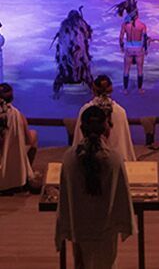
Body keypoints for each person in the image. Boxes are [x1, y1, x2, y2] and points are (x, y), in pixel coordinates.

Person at [56, 106, 134, 269]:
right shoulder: (114, 158)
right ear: (106, 129)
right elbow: (122, 196)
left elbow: (65, 196)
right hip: (106, 227)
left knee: (80, 262)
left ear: (81, 128)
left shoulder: (69, 158)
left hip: (79, 225)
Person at [72, 75, 136, 162]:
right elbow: (124, 145)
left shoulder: (85, 111)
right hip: (116, 162)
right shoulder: (120, 112)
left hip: (88, 162)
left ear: (93, 90)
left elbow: (79, 141)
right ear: (111, 90)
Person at [0, 83, 38, 192]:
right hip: (8, 169)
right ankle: (24, 174)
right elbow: (29, 140)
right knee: (33, 135)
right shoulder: (17, 115)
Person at [52, 8, 93, 98]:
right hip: (79, 55)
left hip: (67, 55)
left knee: (64, 72)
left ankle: (56, 93)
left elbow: (60, 42)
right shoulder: (81, 24)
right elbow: (88, 35)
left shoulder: (64, 25)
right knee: (85, 71)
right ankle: (93, 92)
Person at [118, 0, 148, 94]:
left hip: (129, 49)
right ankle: (140, 89)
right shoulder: (142, 25)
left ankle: (125, 90)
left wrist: (122, 47)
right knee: (140, 70)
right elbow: (144, 39)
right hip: (139, 48)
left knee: (126, 69)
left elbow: (121, 38)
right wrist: (145, 49)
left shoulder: (125, 25)